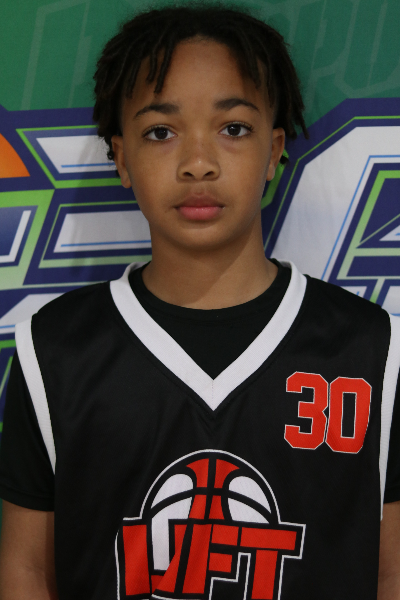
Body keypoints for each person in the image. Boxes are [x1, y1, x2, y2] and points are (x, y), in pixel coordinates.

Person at [0, 5, 399, 599]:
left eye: (233, 128)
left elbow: (391, 570)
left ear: (274, 150)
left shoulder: (371, 348)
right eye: (161, 132)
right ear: (121, 158)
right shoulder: (54, 349)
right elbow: (27, 570)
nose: (198, 164)